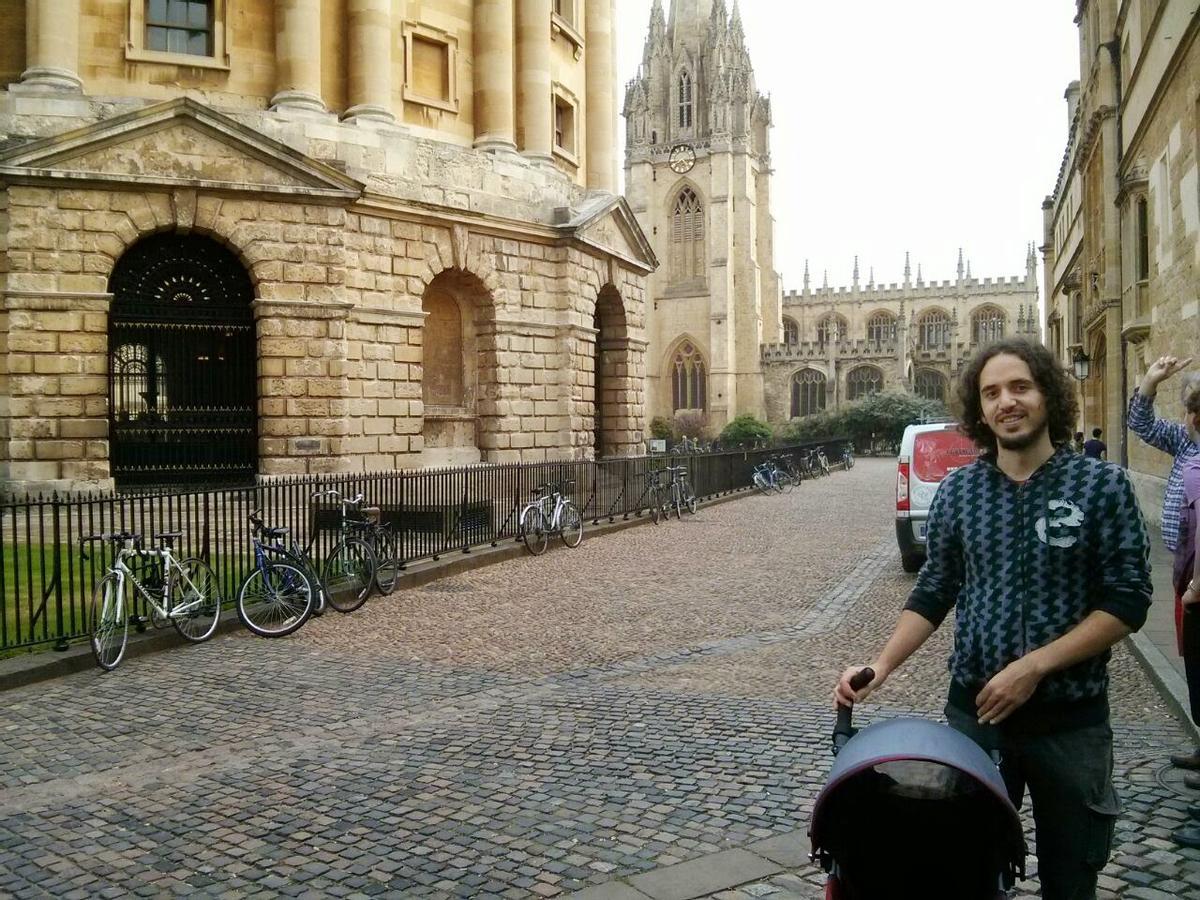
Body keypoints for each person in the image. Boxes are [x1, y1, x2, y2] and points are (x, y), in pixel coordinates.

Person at [835, 338, 1152, 900]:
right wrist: (881, 666)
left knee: (1071, 881)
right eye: (992, 393)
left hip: (1071, 725)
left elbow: (1127, 602)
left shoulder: (1102, 487)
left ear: (1048, 394)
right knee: (965, 875)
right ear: (980, 410)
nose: (1007, 401)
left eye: (1020, 387)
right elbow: (935, 590)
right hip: (976, 719)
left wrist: (1033, 667)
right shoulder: (959, 491)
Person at [1126, 357, 1200, 786]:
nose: (1186, 415)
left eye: (1189, 406)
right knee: (1194, 661)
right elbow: (1142, 425)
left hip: (1196, 579)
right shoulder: (1187, 444)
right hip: (1183, 571)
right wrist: (1150, 382)